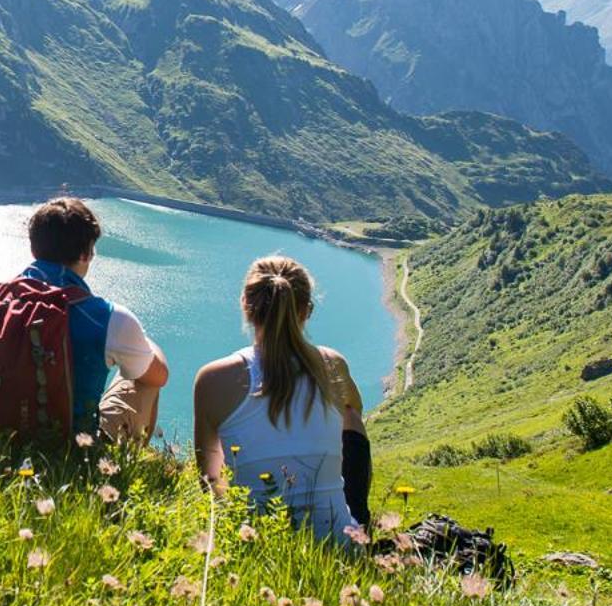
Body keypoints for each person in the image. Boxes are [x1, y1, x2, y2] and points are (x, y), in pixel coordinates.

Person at [192, 255, 371, 539]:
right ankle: (361, 526)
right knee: (349, 417)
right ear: (307, 311)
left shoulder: (214, 378)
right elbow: (354, 413)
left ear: (245, 305)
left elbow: (211, 479)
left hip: (254, 539)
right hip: (339, 544)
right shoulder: (332, 364)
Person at [21, 197, 169, 443]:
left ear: (34, 248)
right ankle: (124, 464)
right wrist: (146, 342)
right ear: (86, 254)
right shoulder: (108, 317)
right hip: (70, 445)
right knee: (145, 376)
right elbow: (158, 377)